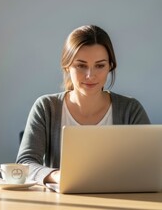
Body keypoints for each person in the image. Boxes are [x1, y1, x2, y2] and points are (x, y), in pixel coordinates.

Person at [15, 25, 150, 185]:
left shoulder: (130, 110)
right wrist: (57, 176)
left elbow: (150, 165)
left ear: (110, 67)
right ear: (67, 66)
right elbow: (25, 163)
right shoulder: (46, 107)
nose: (90, 75)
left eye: (100, 66)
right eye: (81, 65)